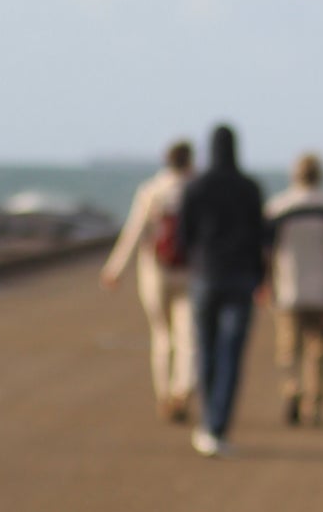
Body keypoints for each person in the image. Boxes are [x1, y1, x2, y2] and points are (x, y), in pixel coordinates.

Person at [179, 122, 266, 458]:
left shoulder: (196, 186)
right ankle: (218, 425)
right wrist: (261, 277)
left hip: (205, 277)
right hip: (241, 279)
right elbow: (260, 235)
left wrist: (198, 263)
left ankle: (207, 423)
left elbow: (184, 236)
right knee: (231, 353)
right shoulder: (249, 188)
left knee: (206, 349)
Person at [100, 139, 196, 421]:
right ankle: (183, 390)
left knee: (162, 335)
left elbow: (134, 231)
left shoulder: (151, 191)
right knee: (188, 337)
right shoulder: (196, 190)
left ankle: (164, 395)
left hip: (155, 272)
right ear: (190, 161)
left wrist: (114, 269)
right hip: (189, 273)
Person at [263, 152, 323, 426]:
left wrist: (265, 283)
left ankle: (291, 388)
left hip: (288, 290)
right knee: (319, 350)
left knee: (287, 349)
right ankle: (314, 404)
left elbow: (267, 253)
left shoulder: (278, 207)